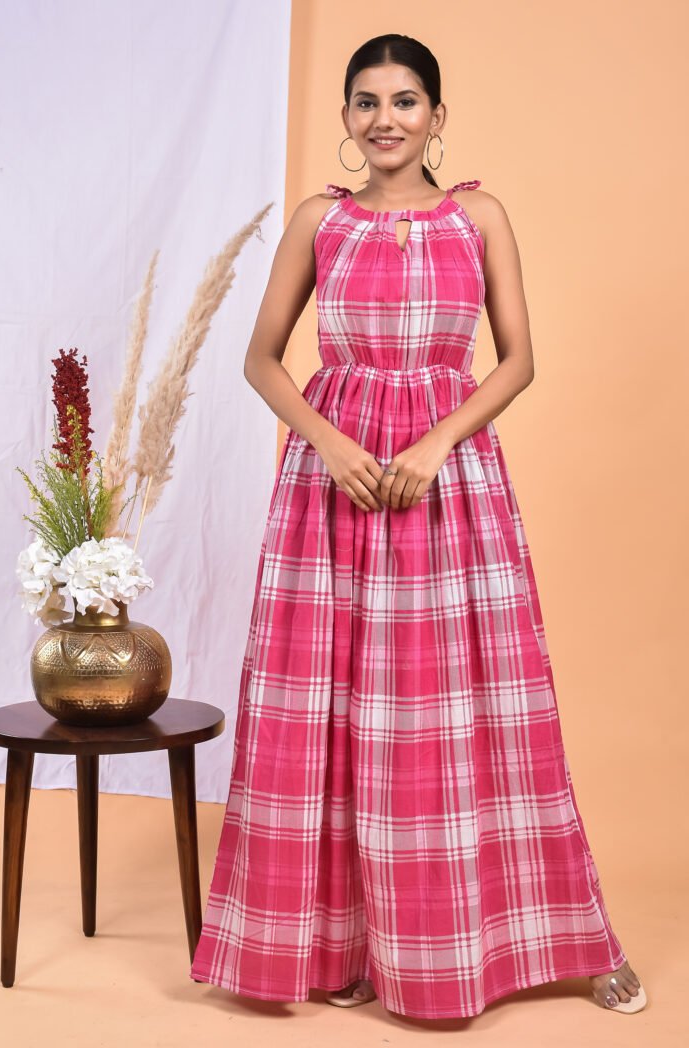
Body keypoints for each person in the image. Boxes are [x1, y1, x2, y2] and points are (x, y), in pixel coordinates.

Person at [189, 33, 646, 1019]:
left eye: (404, 100)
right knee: (331, 709)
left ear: (437, 115)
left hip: (447, 486)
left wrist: (436, 444)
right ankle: (347, 948)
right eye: (366, 102)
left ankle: (542, 940)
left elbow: (516, 359)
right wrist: (331, 447)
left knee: (466, 709)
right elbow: (262, 359)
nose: (384, 118)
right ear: (348, 120)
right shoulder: (319, 220)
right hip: (332, 488)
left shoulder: (479, 216)